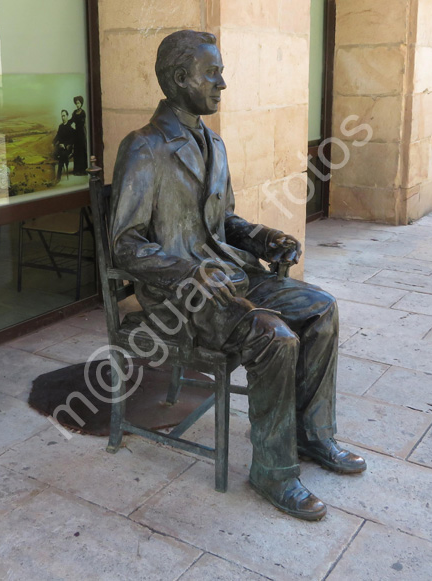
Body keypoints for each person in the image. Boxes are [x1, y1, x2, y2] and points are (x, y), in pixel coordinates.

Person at [110, 30, 366, 521]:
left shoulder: (215, 144)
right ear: (178, 78)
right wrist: (187, 271)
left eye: (220, 72)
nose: (222, 84)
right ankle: (274, 472)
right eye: (212, 73)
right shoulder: (143, 147)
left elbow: (222, 223)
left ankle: (312, 436)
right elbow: (125, 244)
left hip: (229, 276)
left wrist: (262, 237)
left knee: (321, 308)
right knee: (275, 337)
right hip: (181, 297)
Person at [53, 109, 75, 181]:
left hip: (67, 148)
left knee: (62, 155)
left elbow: (72, 140)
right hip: (60, 147)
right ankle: (64, 163)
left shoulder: (70, 127)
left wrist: (65, 145)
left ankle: (58, 176)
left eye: (64, 116)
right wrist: (52, 142)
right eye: (62, 116)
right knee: (53, 153)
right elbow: (58, 136)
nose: (63, 118)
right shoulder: (61, 126)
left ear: (67, 116)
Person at [69, 96, 88, 175]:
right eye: (76, 103)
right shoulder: (74, 113)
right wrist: (66, 123)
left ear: (81, 103)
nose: (77, 105)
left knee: (82, 151)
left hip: (81, 133)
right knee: (76, 151)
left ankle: (83, 169)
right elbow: (71, 121)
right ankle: (77, 170)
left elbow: (82, 123)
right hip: (76, 133)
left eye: (79, 103)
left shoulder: (83, 112)